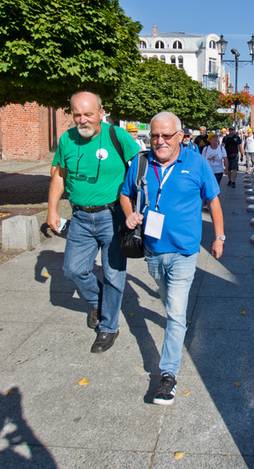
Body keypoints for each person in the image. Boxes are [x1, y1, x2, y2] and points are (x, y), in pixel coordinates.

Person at [119, 112, 225, 405]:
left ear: (180, 136)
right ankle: (176, 328)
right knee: (166, 300)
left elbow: (213, 201)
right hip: (152, 250)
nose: (160, 141)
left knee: (176, 313)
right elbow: (125, 194)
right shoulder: (141, 163)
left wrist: (219, 237)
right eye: (155, 135)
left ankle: (168, 376)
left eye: (166, 135)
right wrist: (130, 215)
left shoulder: (196, 163)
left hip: (184, 252)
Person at [47, 91, 140, 354]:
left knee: (113, 274)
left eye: (88, 114)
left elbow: (141, 169)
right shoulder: (66, 139)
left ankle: (108, 327)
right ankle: (100, 303)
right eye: (77, 114)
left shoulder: (117, 136)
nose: (83, 120)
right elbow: (59, 177)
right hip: (79, 217)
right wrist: (51, 210)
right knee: (73, 270)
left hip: (113, 216)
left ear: (101, 112)